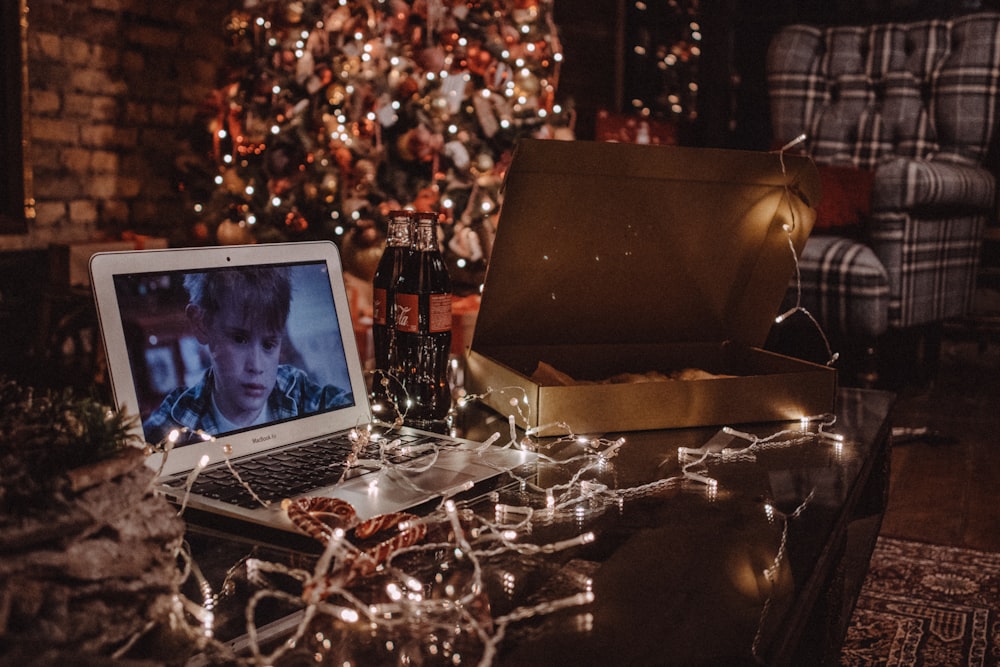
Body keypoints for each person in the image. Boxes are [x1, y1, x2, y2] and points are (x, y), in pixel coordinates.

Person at [143, 266, 353, 445]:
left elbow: (357, 419)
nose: (256, 366)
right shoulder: (175, 421)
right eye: (239, 339)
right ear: (202, 323)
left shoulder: (297, 391)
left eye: (269, 344)